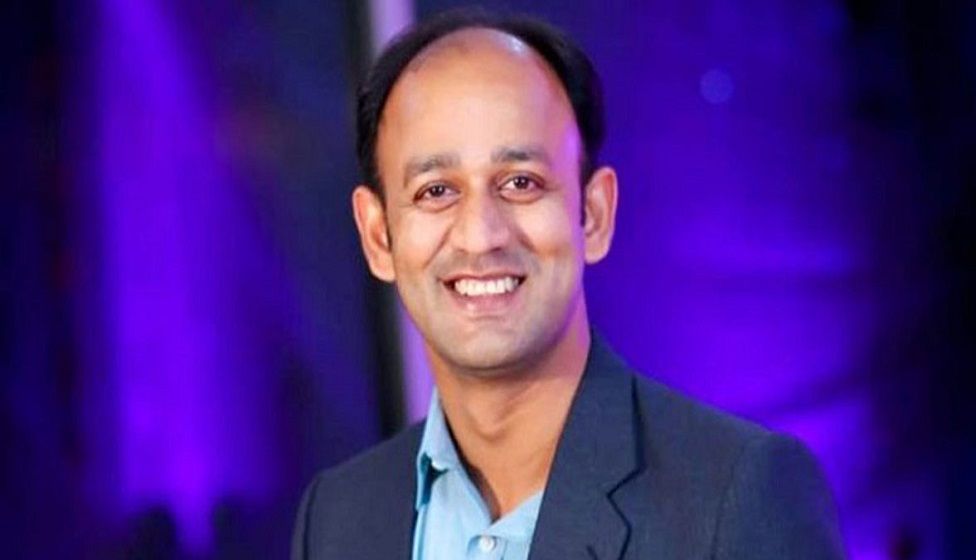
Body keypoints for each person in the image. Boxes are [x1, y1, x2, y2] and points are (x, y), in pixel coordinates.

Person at [293, 9, 845, 560]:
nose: (480, 235)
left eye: (521, 182)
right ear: (378, 236)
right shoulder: (336, 519)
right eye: (436, 191)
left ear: (595, 214)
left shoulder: (736, 495)